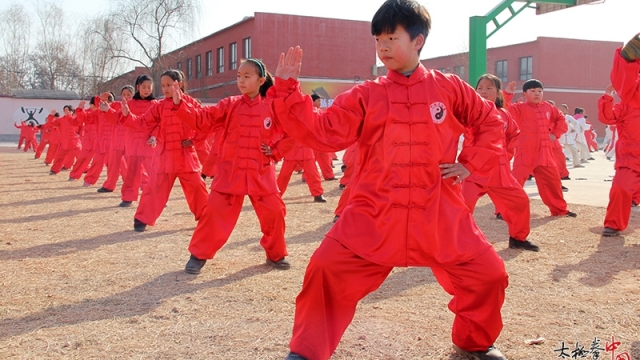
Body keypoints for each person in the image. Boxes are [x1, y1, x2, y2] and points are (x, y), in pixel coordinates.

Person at [273, 1, 509, 359]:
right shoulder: (368, 95)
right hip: (375, 211)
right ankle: (306, 351)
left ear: (418, 41)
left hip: (437, 210)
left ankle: (474, 341)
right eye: (378, 39)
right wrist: (288, 91)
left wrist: (469, 163)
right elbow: (323, 131)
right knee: (325, 269)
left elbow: (491, 122)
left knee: (488, 274)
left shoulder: (450, 89)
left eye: (391, 37)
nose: (382, 47)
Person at [172, 59, 295, 275]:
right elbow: (203, 120)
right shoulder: (229, 104)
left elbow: (292, 132)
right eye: (239, 76)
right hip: (231, 171)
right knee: (214, 213)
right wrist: (180, 105)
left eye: (247, 76)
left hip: (260, 171)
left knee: (274, 212)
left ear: (261, 80)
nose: (241, 80)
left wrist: (275, 152)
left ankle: (276, 255)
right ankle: (198, 255)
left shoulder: (272, 106)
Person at [121, 70, 208, 232]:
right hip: (165, 154)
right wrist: (127, 116)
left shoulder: (190, 103)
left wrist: (194, 141)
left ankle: (206, 217)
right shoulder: (159, 106)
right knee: (155, 187)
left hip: (185, 154)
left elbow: (204, 124)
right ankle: (142, 218)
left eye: (169, 85)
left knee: (196, 187)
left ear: (179, 84)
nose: (165, 89)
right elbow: (143, 123)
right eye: (163, 86)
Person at [461, 74, 537, 251]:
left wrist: (506, 156)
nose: (484, 91)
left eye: (489, 88)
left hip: (500, 174)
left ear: (498, 93)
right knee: (461, 210)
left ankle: (518, 238)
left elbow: (513, 134)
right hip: (473, 173)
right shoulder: (467, 113)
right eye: (480, 88)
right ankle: (455, 245)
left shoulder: (504, 114)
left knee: (520, 202)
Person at [504, 80, 577, 218]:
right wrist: (508, 93)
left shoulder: (549, 108)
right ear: (525, 94)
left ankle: (559, 209)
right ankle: (503, 210)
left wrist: (555, 133)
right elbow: (504, 109)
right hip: (526, 151)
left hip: (545, 153)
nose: (537, 94)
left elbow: (561, 119)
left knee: (553, 182)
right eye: (533, 91)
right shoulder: (519, 108)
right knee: (516, 181)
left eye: (539, 91)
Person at [599, 79, 640, 236]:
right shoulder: (624, 106)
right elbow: (607, 117)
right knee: (620, 187)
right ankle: (613, 224)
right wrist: (607, 98)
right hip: (630, 157)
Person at [118, 75, 157, 207]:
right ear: (138, 87)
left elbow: (159, 123)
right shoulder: (130, 103)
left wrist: (154, 136)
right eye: (143, 87)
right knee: (132, 171)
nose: (146, 90)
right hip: (133, 141)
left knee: (153, 171)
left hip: (149, 143)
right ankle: (128, 196)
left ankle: (156, 196)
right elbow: (121, 121)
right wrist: (124, 115)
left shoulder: (155, 104)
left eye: (149, 87)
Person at [47, 104, 82, 176]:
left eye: (68, 110)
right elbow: (51, 124)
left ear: (72, 111)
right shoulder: (60, 120)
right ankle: (54, 170)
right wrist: (51, 116)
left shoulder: (74, 119)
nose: (67, 111)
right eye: (65, 110)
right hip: (64, 142)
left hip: (74, 142)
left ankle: (85, 169)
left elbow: (80, 125)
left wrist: (80, 133)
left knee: (81, 156)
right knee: (59, 157)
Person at [310, 94, 336, 181]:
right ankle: (307, 176)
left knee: (325, 158)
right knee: (311, 160)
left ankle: (329, 175)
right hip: (313, 140)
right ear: (312, 101)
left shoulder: (320, 111)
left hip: (322, 140)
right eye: (318, 101)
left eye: (320, 101)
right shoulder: (308, 111)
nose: (320, 103)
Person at [558, 104, 582, 169]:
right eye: (561, 108)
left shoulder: (569, 117)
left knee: (574, 150)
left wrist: (574, 129)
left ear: (566, 110)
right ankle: (558, 165)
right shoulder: (557, 116)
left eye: (564, 108)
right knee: (558, 152)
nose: (562, 110)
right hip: (560, 137)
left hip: (568, 137)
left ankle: (576, 163)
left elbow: (576, 123)